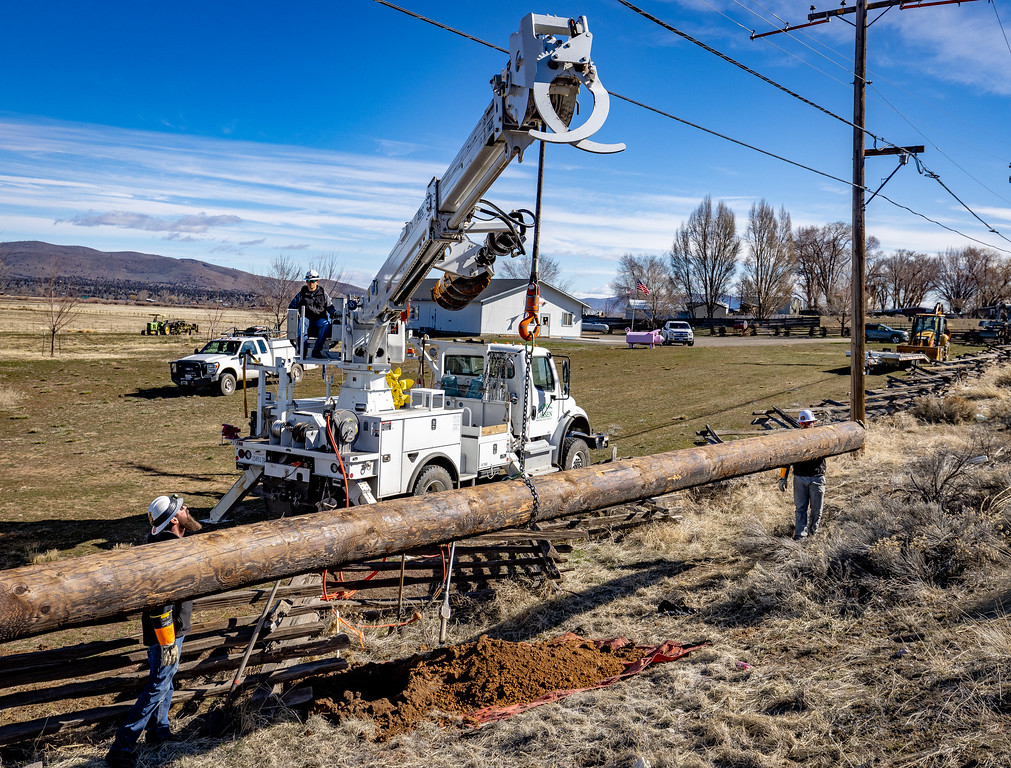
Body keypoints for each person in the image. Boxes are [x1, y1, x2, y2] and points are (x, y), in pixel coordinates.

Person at [106, 495, 202, 768]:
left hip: (169, 631)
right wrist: (168, 640)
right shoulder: (169, 551)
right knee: (159, 683)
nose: (187, 509)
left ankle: (159, 730)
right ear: (174, 519)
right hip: (166, 633)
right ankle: (122, 746)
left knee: (166, 679)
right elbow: (161, 601)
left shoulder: (164, 543)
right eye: (182, 508)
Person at [777, 409, 826, 541]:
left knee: (816, 510)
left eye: (808, 423)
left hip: (817, 477)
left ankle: (812, 533)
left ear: (813, 423)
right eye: (803, 423)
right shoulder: (795, 440)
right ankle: (800, 535)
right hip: (799, 478)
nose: (805, 426)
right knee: (800, 509)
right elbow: (786, 460)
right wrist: (783, 477)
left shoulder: (821, 437)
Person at [288, 269, 337, 359]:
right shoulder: (301, 294)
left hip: (319, 319)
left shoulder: (323, 294)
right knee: (301, 322)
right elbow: (292, 306)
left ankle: (317, 350)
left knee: (326, 324)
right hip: (306, 318)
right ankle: (303, 348)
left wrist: (335, 313)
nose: (311, 283)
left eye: (313, 281)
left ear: (317, 281)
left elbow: (330, 307)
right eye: (309, 281)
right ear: (306, 281)